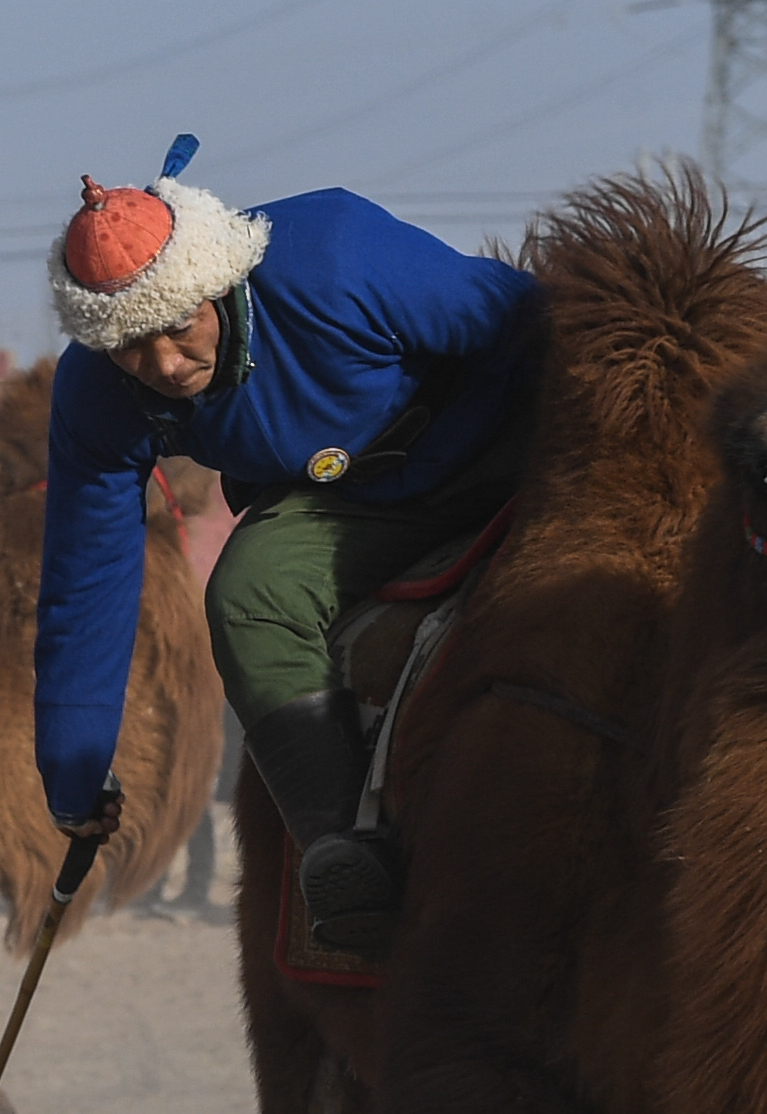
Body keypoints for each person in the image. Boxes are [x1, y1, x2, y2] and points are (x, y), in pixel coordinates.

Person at [29, 136, 542, 953]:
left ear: (214, 281)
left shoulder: (335, 254)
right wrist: (73, 765)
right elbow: (86, 577)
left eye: (175, 326)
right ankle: (345, 853)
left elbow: (529, 324)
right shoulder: (95, 394)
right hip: (348, 504)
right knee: (246, 594)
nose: (161, 364)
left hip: (517, 444)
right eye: (129, 344)